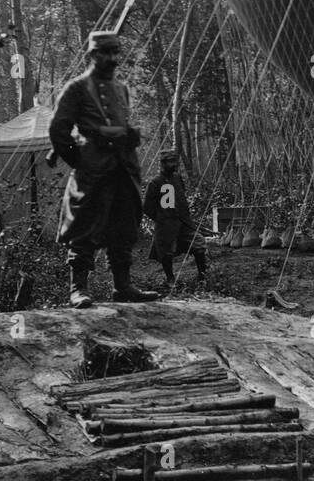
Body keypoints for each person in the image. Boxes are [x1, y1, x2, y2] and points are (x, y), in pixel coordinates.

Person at [49, 30, 159, 308]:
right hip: (92, 169)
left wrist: (126, 134)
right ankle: (78, 289)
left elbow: (120, 122)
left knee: (123, 225)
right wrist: (79, 159)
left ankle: (123, 286)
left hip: (123, 167)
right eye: (105, 53)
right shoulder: (76, 88)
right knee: (84, 225)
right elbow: (59, 129)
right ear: (92, 55)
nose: (111, 59)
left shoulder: (121, 89)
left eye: (114, 53)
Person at [144, 150, 207, 292]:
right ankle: (170, 278)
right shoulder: (155, 183)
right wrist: (162, 218)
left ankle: (203, 276)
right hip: (166, 225)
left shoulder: (177, 178)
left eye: (175, 161)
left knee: (199, 243)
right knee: (167, 251)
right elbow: (147, 207)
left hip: (184, 222)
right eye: (170, 162)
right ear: (163, 164)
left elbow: (181, 197)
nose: (174, 165)